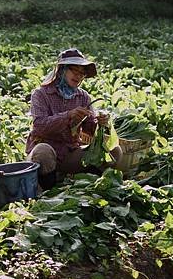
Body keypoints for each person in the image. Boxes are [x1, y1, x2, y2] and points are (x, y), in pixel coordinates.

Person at [25, 48, 122, 190]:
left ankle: (87, 186)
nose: (78, 76)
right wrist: (67, 116)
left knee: (115, 151)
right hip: (44, 153)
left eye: (82, 73)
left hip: (68, 153)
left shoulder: (83, 96)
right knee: (43, 151)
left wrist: (100, 123)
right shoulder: (41, 94)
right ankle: (47, 191)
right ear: (61, 70)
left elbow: (89, 131)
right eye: (74, 71)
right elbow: (39, 126)